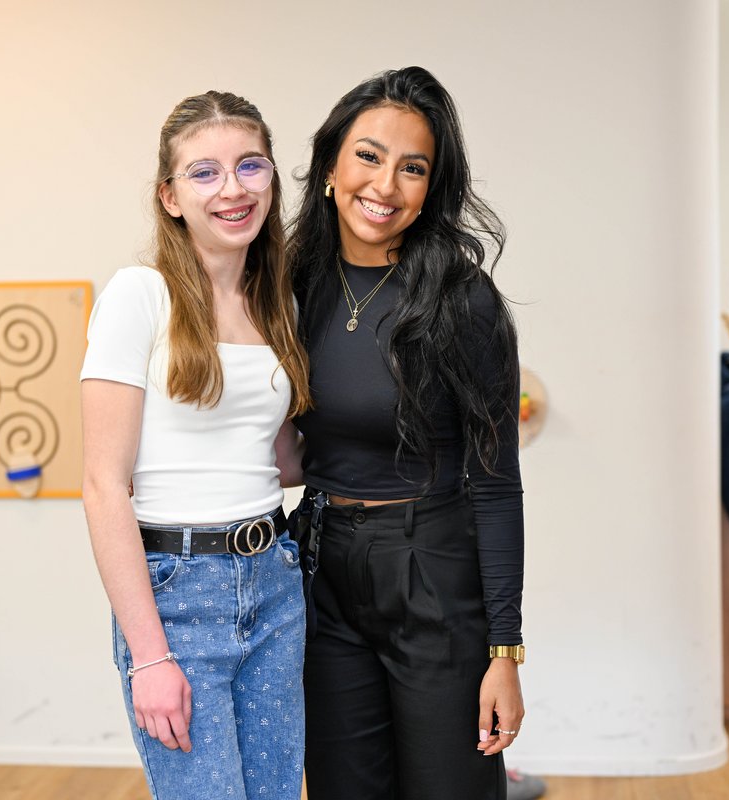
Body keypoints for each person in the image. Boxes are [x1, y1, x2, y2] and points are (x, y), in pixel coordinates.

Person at [288, 66, 526, 800]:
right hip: (322, 568)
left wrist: (505, 649)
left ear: (431, 188)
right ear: (331, 167)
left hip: (431, 571)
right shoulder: (290, 284)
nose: (385, 184)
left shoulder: (463, 301)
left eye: (412, 167)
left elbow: (496, 483)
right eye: (368, 156)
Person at [80, 91, 310, 800]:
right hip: (177, 595)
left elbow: (279, 461)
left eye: (250, 165)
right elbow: (102, 484)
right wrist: (150, 656)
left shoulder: (278, 304)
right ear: (171, 196)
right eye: (204, 172)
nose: (233, 188)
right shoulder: (139, 295)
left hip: (275, 579)